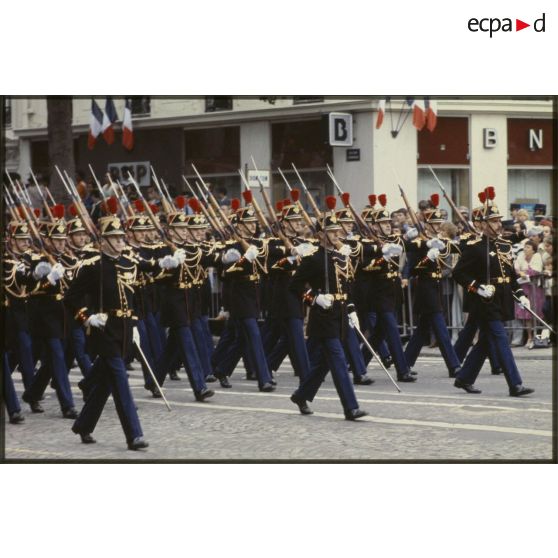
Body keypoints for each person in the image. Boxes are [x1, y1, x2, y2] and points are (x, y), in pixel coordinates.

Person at [65, 214, 149, 450]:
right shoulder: (93, 267)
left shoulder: (128, 264)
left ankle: (83, 425)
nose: (121, 241)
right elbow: (70, 298)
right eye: (115, 238)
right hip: (104, 331)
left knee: (104, 384)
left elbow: (133, 299)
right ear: (103, 241)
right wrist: (87, 317)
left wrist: (134, 327)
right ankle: (134, 434)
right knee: (120, 381)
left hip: (123, 331)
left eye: (121, 237)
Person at [289, 196, 368, 420]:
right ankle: (350, 407)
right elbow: (294, 286)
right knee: (338, 360)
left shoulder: (339, 256)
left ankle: (301, 395)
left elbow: (347, 285)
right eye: (332, 231)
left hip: (340, 314)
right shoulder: (313, 258)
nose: (337, 234)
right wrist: (313, 298)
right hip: (323, 316)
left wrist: (351, 309)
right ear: (320, 234)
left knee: (323, 364)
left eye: (337, 231)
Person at [452, 188, 534, 397]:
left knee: (486, 341)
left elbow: (511, 274)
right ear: (485, 223)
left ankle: (464, 377)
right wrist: (477, 287)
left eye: (499, 221)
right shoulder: (474, 246)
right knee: (500, 339)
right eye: (495, 221)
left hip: (502, 298)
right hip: (484, 301)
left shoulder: (505, 245)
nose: (499, 225)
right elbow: (458, 273)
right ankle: (515, 384)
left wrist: (521, 294)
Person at [514, 240, 544, 349]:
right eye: (525, 247)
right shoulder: (521, 256)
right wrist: (521, 272)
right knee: (526, 315)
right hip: (524, 288)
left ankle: (538, 337)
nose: (525, 249)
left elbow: (537, 270)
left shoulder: (537, 256)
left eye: (528, 247)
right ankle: (529, 337)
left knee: (536, 313)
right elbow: (516, 268)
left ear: (533, 249)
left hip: (534, 288)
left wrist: (524, 272)